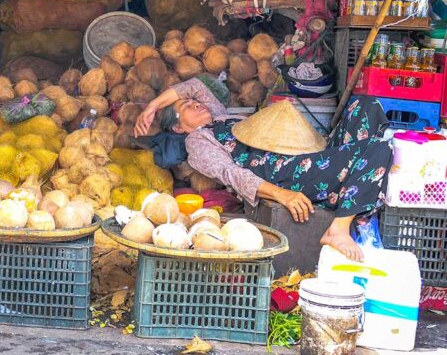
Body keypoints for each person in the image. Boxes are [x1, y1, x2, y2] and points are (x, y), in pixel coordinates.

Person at [135, 77, 392, 262]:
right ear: (178, 128)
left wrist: (152, 106)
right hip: (283, 173)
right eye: (185, 108)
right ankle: (339, 228)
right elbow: (233, 175)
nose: (195, 104)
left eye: (194, 102)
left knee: (365, 106)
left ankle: (351, 193)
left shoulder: (219, 117)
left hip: (302, 157)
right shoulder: (197, 142)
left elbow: (195, 86)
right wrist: (282, 194)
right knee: (378, 150)